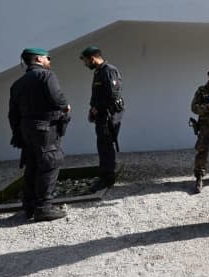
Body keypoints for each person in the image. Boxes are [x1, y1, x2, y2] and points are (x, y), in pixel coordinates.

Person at [8, 48, 71, 222]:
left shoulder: (17, 84)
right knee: (50, 161)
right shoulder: (46, 76)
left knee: (33, 165)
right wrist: (66, 106)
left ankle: (29, 206)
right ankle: (44, 207)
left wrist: (18, 133)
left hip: (26, 129)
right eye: (47, 58)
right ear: (38, 59)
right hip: (45, 128)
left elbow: (13, 114)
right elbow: (57, 97)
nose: (50, 61)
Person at [80, 45, 124, 192]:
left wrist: (97, 109)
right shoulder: (99, 72)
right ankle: (104, 175)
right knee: (102, 145)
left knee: (106, 146)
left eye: (85, 61)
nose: (85, 64)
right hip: (101, 114)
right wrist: (92, 109)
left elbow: (113, 96)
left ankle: (108, 178)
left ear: (92, 58)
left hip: (108, 115)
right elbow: (98, 95)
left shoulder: (109, 71)